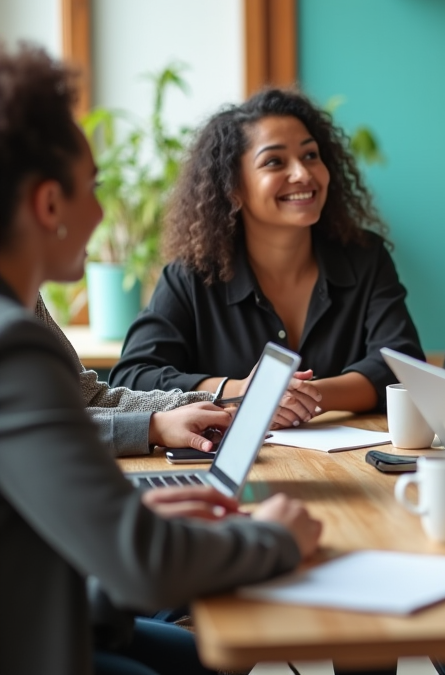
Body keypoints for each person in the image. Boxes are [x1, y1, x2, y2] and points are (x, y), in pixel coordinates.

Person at [0, 44, 321, 673]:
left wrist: (126, 517)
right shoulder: (13, 348)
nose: (99, 212)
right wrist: (273, 536)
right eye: (90, 189)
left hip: (47, 607)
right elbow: (142, 566)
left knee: (208, 653)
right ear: (48, 205)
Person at [109, 88, 424, 415]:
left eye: (310, 155)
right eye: (274, 161)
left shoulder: (365, 257)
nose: (303, 174)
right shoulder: (192, 274)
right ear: (232, 188)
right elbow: (133, 378)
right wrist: (241, 391)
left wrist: (302, 396)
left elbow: (404, 367)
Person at [34, 294, 234, 454]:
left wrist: (213, 406)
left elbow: (90, 399)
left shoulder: (30, 296)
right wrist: (153, 427)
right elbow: (28, 425)